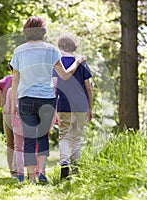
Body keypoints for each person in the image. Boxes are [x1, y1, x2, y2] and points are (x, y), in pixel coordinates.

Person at [10, 16, 84, 183]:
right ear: (43, 31)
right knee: (43, 136)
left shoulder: (19, 51)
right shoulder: (51, 50)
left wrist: (15, 102)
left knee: (29, 138)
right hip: (46, 99)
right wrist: (77, 62)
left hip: (25, 98)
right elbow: (64, 75)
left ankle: (31, 179)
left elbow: (15, 79)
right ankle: (41, 173)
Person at [52, 34, 93, 180]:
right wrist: (90, 107)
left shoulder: (58, 62)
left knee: (64, 136)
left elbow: (55, 88)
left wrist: (54, 108)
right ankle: (76, 168)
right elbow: (88, 88)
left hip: (64, 105)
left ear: (60, 47)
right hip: (81, 105)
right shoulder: (81, 63)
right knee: (76, 138)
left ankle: (64, 163)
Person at [0, 65, 17, 178]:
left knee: (10, 143)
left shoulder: (4, 81)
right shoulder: (26, 80)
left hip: (7, 113)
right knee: (21, 143)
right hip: (21, 113)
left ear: (9, 68)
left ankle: (12, 172)